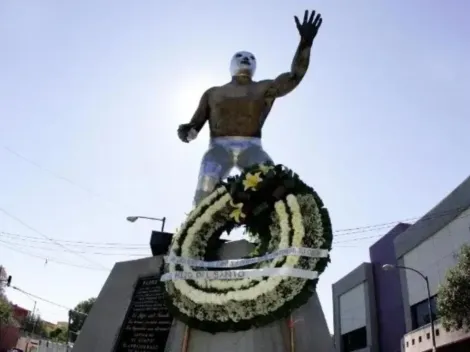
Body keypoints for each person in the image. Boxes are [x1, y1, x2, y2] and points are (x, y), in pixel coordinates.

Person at [177, 10, 323, 206]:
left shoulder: (264, 88)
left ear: (255, 65)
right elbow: (194, 124)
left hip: (252, 147)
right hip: (219, 147)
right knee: (208, 175)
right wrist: (186, 131)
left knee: (271, 180)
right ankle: (199, 228)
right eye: (240, 56)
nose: (246, 58)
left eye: (250, 57)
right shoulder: (213, 93)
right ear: (231, 64)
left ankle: (274, 226)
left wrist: (305, 43)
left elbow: (294, 76)